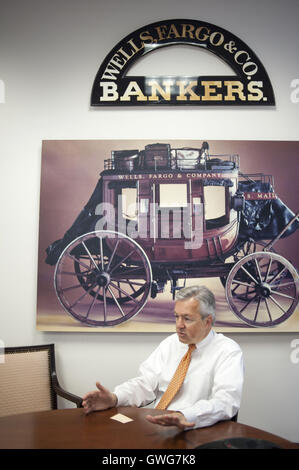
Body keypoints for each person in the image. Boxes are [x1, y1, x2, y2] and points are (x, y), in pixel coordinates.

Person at [82, 285, 244, 430]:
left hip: (196, 431)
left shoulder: (227, 351)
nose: (179, 325)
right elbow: (145, 383)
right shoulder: (171, 343)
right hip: (157, 426)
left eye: (187, 318)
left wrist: (185, 415)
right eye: (176, 316)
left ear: (207, 321)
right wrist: (115, 398)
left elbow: (226, 401)